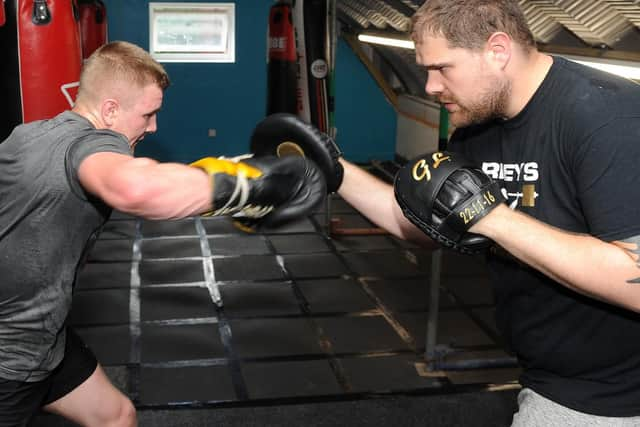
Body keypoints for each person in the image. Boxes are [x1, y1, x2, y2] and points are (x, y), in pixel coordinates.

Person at [330, 0, 640, 425]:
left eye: (441, 68)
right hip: (547, 372)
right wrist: (333, 169)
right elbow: (427, 224)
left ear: (497, 51)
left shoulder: (606, 116)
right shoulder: (477, 126)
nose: (430, 86)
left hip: (612, 396)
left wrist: (492, 217)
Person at [0, 41, 324, 426]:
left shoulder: (27, 135)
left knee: (116, 416)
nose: (153, 127)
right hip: (13, 355)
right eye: (148, 114)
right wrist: (247, 189)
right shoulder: (93, 143)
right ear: (109, 110)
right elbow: (138, 190)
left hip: (47, 339)